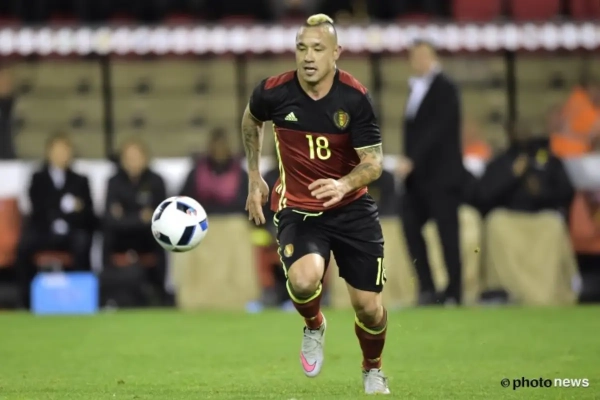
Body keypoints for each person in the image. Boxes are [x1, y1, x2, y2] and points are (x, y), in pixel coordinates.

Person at [241, 14, 390, 395]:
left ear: (336, 52)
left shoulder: (354, 97)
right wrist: (254, 176)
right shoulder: (274, 91)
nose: (308, 56)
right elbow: (251, 118)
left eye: (318, 49)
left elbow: (374, 162)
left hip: (352, 208)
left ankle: (373, 368)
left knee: (368, 309)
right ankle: (314, 325)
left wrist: (343, 184)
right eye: (302, 48)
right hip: (300, 208)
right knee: (304, 280)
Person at [397, 39, 464, 306]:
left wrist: (412, 159)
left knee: (448, 235)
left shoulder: (446, 88)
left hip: (442, 176)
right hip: (418, 180)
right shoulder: (415, 89)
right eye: (415, 56)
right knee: (410, 225)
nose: (420, 60)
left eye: (424, 55)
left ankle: (454, 292)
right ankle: (427, 288)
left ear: (435, 57)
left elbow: (438, 130)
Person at [15, 132, 95, 308]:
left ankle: (79, 299)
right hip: (44, 232)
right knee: (23, 247)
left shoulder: (81, 180)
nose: (62, 154)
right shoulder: (38, 178)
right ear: (48, 152)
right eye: (57, 150)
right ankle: (26, 300)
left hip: (72, 233)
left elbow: (87, 213)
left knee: (83, 242)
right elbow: (38, 209)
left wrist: (63, 210)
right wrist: (67, 206)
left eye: (65, 150)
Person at [103, 138, 168, 304]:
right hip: (121, 241)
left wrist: (125, 217)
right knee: (108, 234)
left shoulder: (156, 181)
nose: (133, 162)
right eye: (129, 157)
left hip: (148, 240)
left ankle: (159, 294)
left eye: (137, 157)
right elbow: (111, 220)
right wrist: (140, 218)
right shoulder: (114, 182)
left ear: (146, 158)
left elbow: (160, 218)